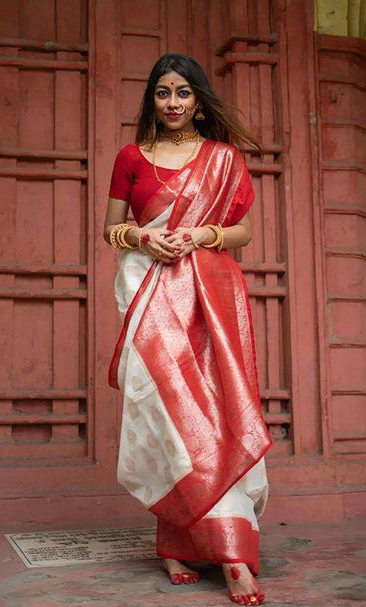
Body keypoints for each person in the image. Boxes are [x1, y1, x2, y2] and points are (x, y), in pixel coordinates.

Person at [103, 53, 272, 606]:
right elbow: (112, 230)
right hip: (150, 292)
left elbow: (243, 231)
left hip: (211, 298)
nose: (172, 103)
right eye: (162, 93)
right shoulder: (132, 157)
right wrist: (146, 240)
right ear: (150, 100)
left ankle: (230, 555)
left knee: (215, 414)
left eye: (182, 93)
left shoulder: (222, 158)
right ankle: (173, 539)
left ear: (199, 100)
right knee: (163, 414)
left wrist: (202, 236)